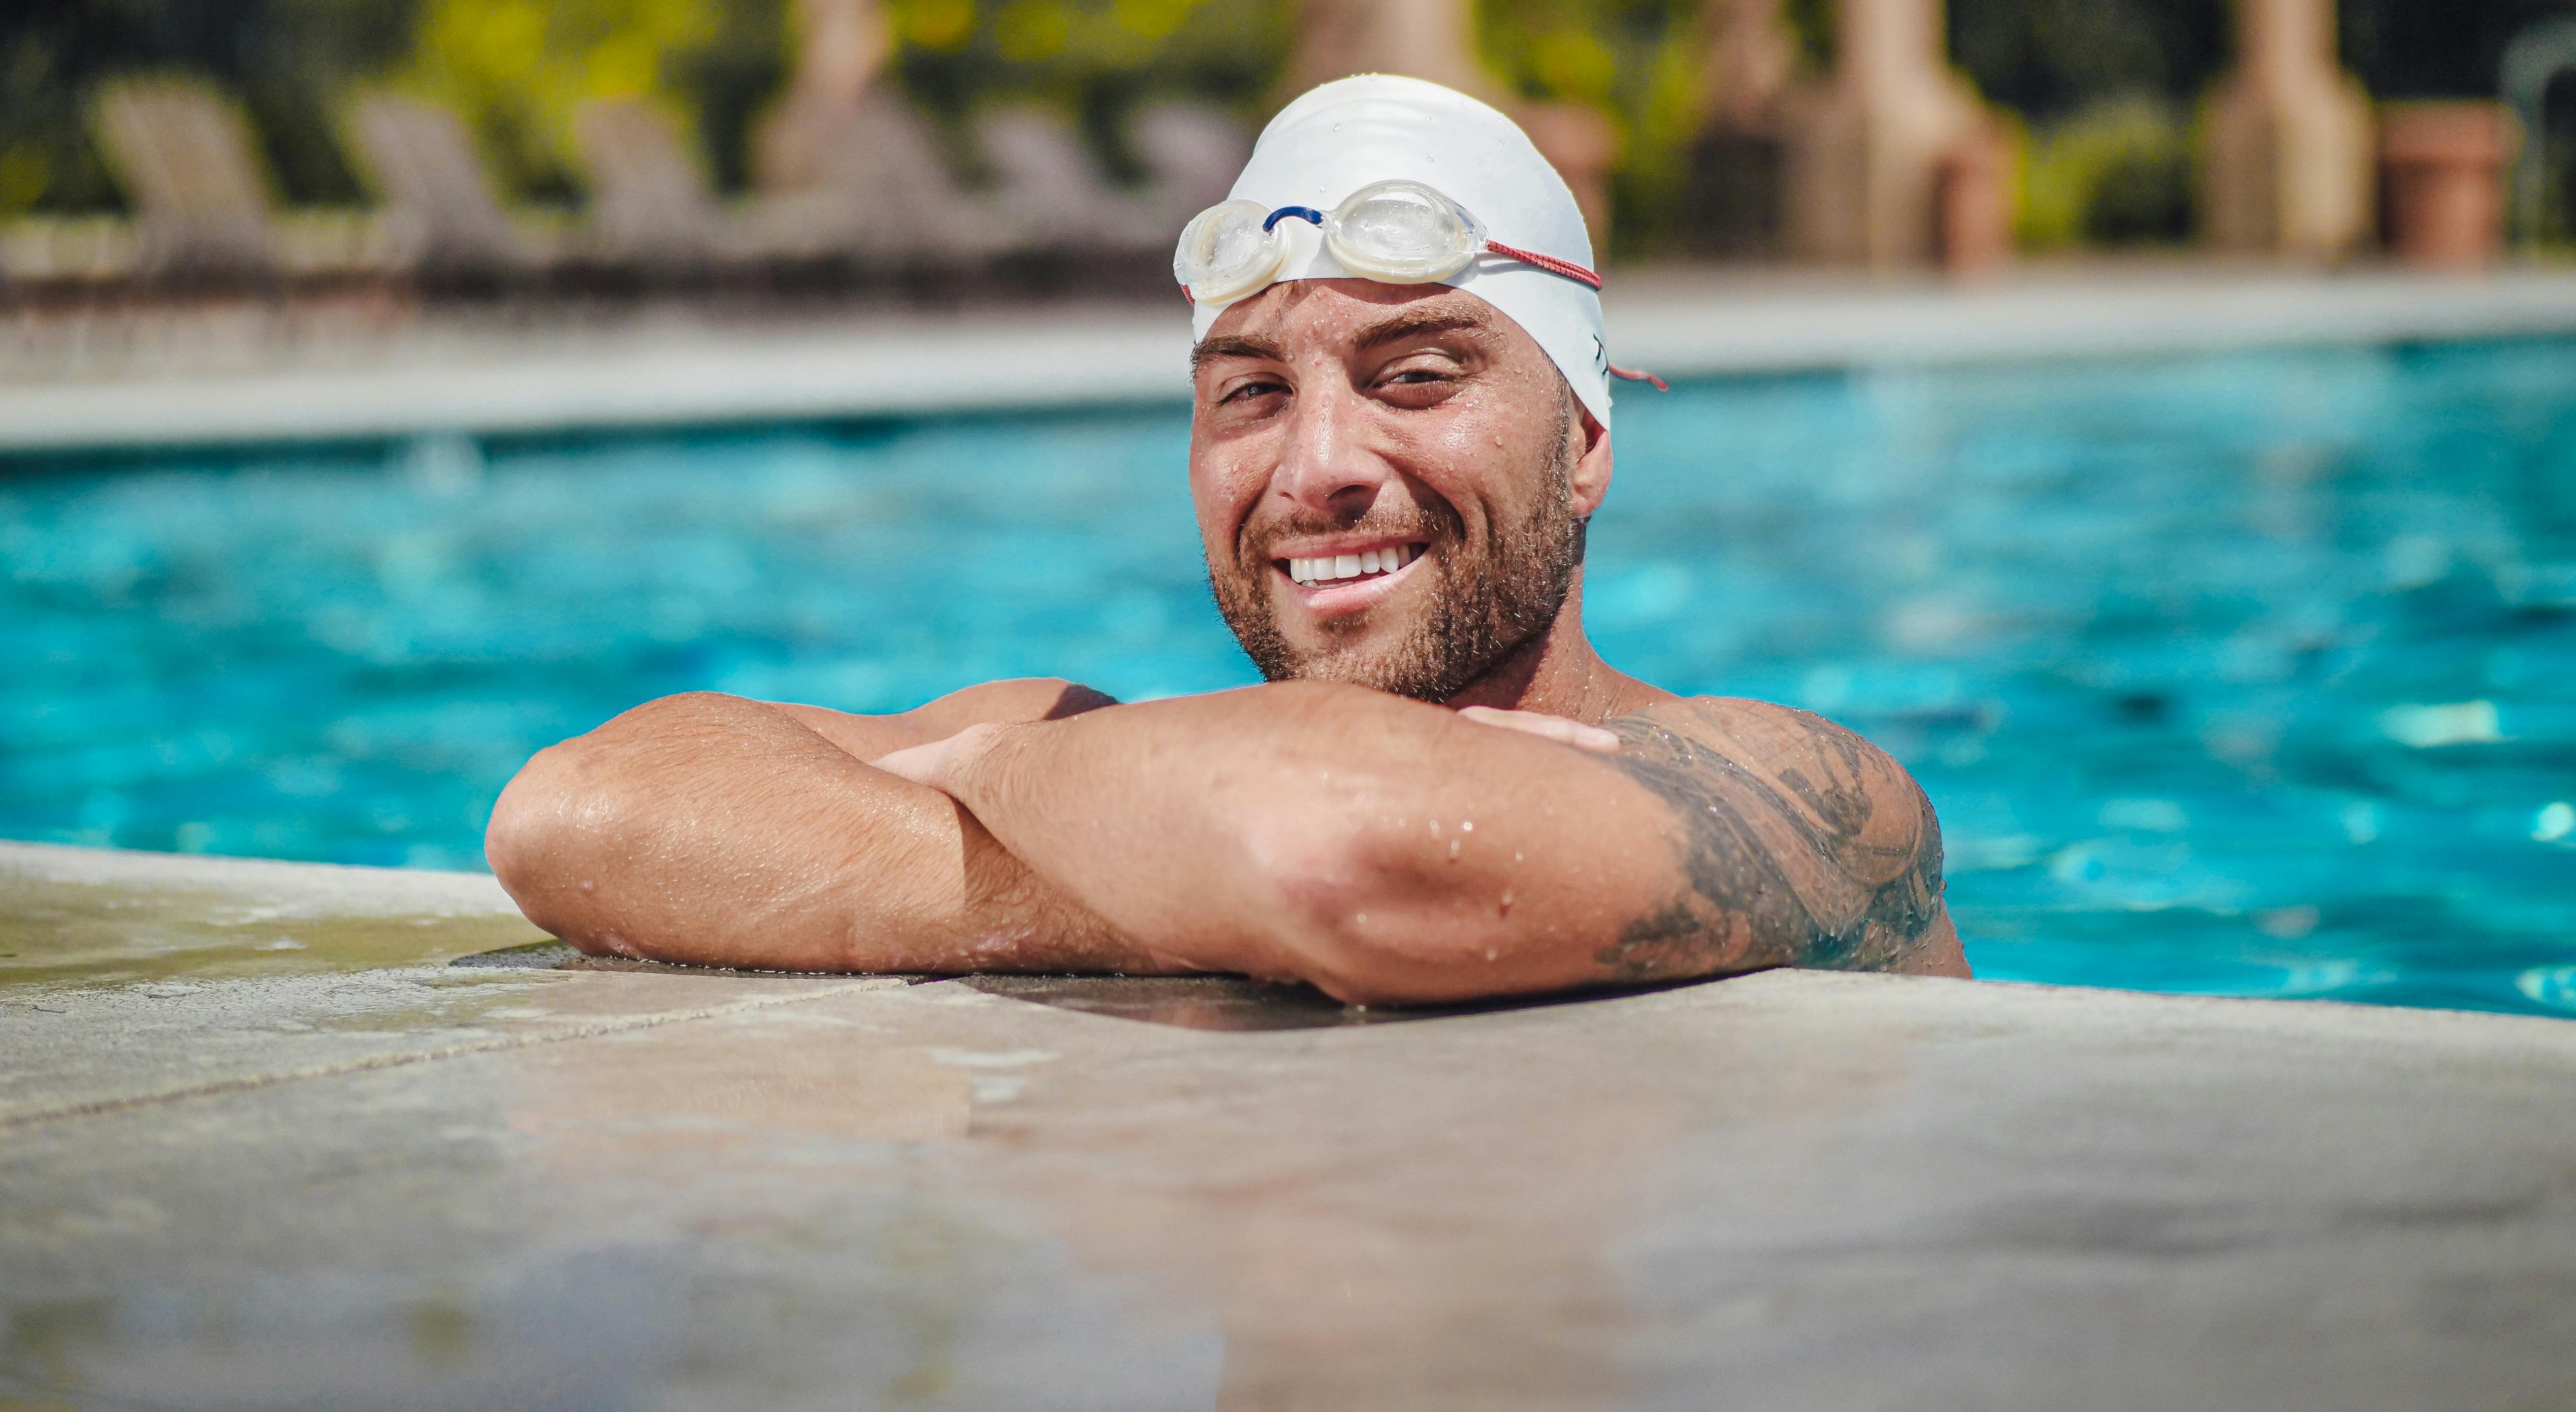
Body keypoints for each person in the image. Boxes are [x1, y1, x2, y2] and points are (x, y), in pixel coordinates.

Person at [486, 75, 1968, 1003]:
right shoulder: (1104, 750)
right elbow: (577, 814)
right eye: (1251, 393)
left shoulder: (1800, 798)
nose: (1316, 468)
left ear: (1583, 443)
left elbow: (1328, 850)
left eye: (1416, 376)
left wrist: (987, 777)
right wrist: (1168, 858)